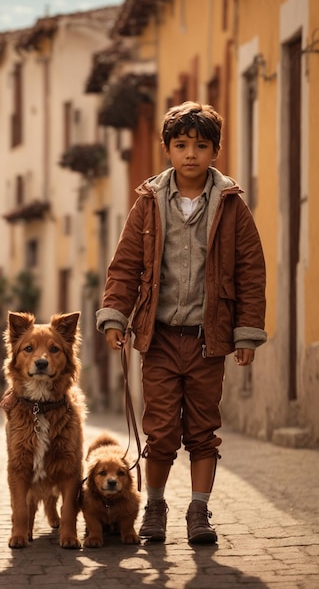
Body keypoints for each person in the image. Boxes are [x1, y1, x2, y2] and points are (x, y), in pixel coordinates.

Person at [96, 101, 267, 545]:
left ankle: (199, 511)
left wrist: (245, 331)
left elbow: (251, 269)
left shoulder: (231, 205)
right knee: (161, 430)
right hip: (159, 338)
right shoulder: (149, 204)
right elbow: (125, 264)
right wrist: (116, 315)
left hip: (209, 339)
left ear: (215, 152)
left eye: (201, 145)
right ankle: (154, 505)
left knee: (203, 430)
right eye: (181, 144)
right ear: (168, 150)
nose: (191, 153)